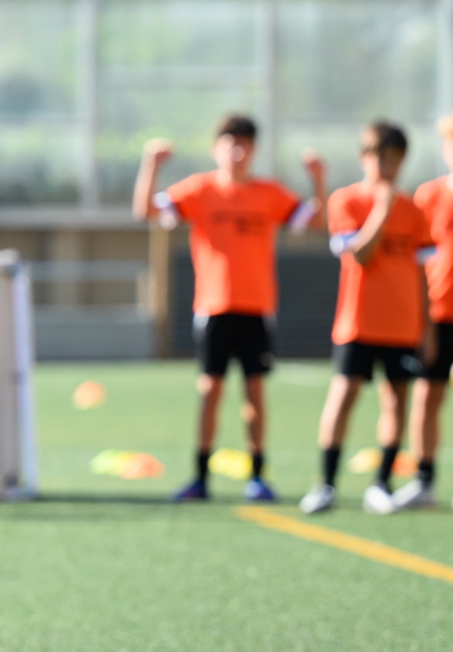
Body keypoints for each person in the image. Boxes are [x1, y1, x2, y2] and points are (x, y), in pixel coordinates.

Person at [132, 114, 326, 503]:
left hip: (256, 308)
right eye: (229, 143)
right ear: (216, 148)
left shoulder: (269, 193)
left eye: (244, 144)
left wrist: (318, 179)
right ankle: (200, 477)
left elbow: (315, 222)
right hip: (214, 307)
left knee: (254, 392)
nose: (237, 151)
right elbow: (147, 212)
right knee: (210, 390)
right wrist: (151, 165)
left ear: (254, 150)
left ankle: (257, 476)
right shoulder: (201, 189)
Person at [300, 121, 436, 514]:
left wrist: (426, 328)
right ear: (364, 158)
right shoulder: (346, 201)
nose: (385, 167)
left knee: (396, 402)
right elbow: (360, 254)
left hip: (402, 325)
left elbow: (421, 271)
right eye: (378, 158)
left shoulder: (414, 211)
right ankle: (326, 484)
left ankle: (381, 484)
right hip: (357, 322)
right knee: (343, 397)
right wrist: (382, 209)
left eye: (393, 159)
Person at [398, 114, 453, 508]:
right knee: (427, 396)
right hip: (437, 313)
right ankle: (424, 481)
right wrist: (420, 321)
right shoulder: (428, 196)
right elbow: (415, 260)